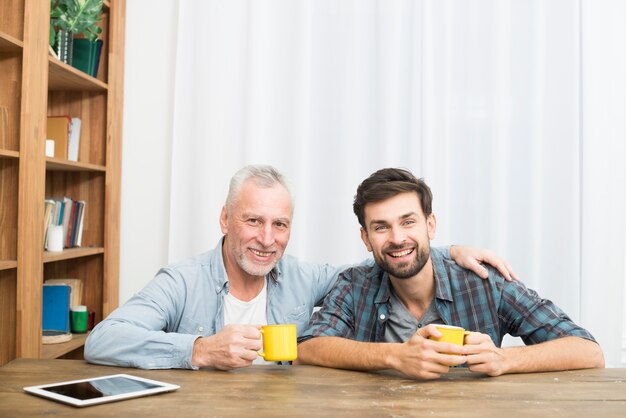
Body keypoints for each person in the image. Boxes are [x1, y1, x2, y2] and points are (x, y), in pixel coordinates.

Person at [85, 164, 517, 370]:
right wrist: (198, 349)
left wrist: (449, 249)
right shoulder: (182, 281)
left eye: (280, 224)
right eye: (253, 221)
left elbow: (388, 257)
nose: (267, 239)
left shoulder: (305, 277)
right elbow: (103, 340)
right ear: (225, 219)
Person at [297, 168, 604, 379]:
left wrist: (505, 360)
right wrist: (395, 356)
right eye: (381, 227)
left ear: (430, 225)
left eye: (408, 222)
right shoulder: (354, 286)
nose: (397, 238)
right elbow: (308, 347)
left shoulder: (483, 283)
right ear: (366, 239)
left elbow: (588, 352)